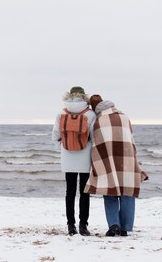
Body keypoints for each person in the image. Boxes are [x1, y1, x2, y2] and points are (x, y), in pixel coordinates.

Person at [84, 96, 148, 237]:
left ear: (95, 108)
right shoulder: (124, 117)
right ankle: (125, 228)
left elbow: (95, 142)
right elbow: (131, 137)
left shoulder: (99, 120)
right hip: (127, 158)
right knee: (127, 193)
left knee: (110, 192)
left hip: (108, 159)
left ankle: (114, 225)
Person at [52, 86, 96, 236]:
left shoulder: (61, 113)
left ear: (69, 96)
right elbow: (94, 137)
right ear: (84, 96)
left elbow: (55, 136)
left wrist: (64, 148)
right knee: (85, 192)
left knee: (69, 192)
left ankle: (71, 226)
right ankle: (83, 225)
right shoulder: (90, 114)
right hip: (85, 156)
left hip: (67, 156)